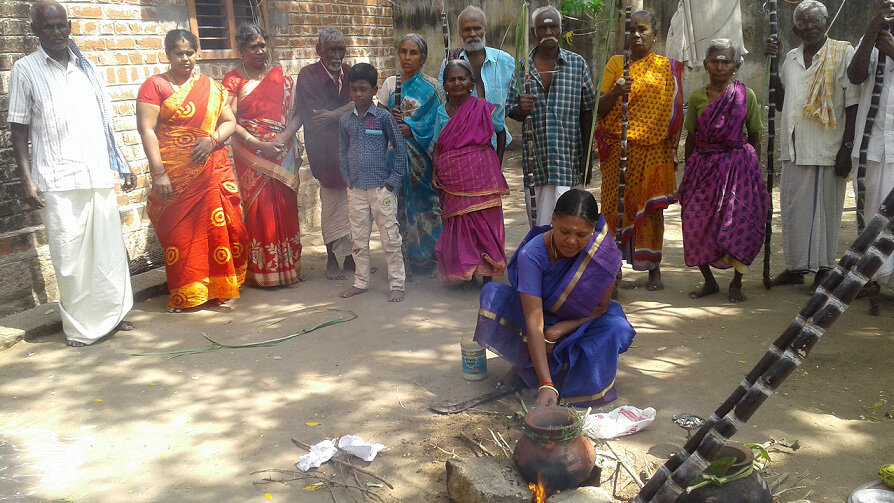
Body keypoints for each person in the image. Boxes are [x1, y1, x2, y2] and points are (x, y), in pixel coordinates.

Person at [8, 0, 136, 346]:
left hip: (96, 171)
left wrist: (121, 162)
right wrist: (26, 177)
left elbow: (104, 122)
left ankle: (113, 316)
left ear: (70, 26)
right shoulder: (25, 69)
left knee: (107, 250)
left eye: (61, 26)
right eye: (47, 27)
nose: (56, 33)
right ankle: (81, 329)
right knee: (70, 258)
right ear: (35, 30)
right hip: (57, 177)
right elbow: (18, 127)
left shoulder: (87, 67)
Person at [474, 189, 635, 407]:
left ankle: (541, 375)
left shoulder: (602, 252)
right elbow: (534, 323)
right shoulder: (531, 255)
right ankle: (533, 372)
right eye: (564, 231)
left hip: (583, 319)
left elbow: (599, 309)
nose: (571, 241)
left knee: (617, 328)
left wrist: (561, 328)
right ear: (552, 220)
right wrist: (546, 384)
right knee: (493, 296)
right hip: (538, 314)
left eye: (581, 235)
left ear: (592, 231)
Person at [136, 29, 248, 312]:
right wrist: (158, 172)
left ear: (197, 53)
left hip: (211, 170)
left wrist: (212, 140)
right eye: (178, 53)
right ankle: (186, 293)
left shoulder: (211, 86)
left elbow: (229, 122)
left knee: (219, 228)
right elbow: (146, 130)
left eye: (189, 53)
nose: (185, 58)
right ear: (168, 54)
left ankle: (223, 289)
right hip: (174, 174)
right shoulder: (154, 86)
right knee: (180, 235)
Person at [765, 0, 859, 292]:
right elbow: (781, 102)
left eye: (816, 21)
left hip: (826, 148)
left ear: (827, 22)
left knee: (825, 214)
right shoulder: (791, 58)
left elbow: (854, 105)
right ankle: (796, 268)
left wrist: (847, 148)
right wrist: (772, 62)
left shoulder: (843, 52)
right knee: (793, 211)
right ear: (795, 29)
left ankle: (824, 269)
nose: (810, 27)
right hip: (793, 149)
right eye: (803, 23)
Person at [595, 9, 684, 292]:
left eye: (642, 29)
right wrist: (616, 92)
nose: (636, 34)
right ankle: (614, 267)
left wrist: (671, 149)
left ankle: (653, 269)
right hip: (618, 153)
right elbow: (600, 108)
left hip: (653, 151)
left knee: (651, 211)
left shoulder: (666, 67)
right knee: (613, 209)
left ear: (654, 35)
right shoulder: (616, 65)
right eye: (631, 29)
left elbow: (675, 113)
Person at [679, 39, 769, 303]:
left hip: (739, 168)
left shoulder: (746, 95)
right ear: (706, 65)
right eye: (715, 60)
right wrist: (687, 175)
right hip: (703, 167)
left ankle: (736, 284)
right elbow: (692, 137)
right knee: (694, 220)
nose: (720, 65)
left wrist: (755, 175)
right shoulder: (696, 97)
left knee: (739, 222)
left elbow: (754, 135)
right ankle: (709, 281)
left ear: (736, 66)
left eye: (726, 61)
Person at [223, 23, 303, 287]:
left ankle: (289, 267)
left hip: (282, 151)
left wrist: (281, 138)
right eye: (253, 47)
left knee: (285, 207)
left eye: (262, 45)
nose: (260, 51)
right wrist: (258, 144)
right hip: (251, 153)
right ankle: (263, 271)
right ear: (241, 49)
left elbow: (298, 114)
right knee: (259, 210)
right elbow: (229, 121)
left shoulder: (281, 76)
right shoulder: (233, 80)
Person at [507, 5, 596, 227]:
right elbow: (511, 109)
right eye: (542, 28)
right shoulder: (522, 68)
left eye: (553, 27)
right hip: (536, 167)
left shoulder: (577, 64)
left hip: (568, 162)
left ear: (561, 29)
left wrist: (587, 156)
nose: (548, 33)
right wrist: (521, 109)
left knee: (571, 223)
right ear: (533, 33)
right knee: (540, 228)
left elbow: (587, 111)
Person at [432, 60, 509, 282]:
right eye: (451, 79)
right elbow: (437, 145)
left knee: (485, 221)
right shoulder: (441, 112)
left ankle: (488, 275)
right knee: (459, 225)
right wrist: (434, 173)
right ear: (445, 85)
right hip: (451, 178)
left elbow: (501, 132)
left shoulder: (484, 108)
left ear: (471, 83)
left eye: (461, 78)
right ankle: (468, 274)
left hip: (481, 174)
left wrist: (496, 163)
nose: (456, 83)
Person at [338, 63, 407, 302]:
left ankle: (396, 283)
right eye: (354, 89)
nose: (358, 94)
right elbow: (342, 149)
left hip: (381, 189)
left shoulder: (383, 118)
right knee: (358, 239)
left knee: (390, 238)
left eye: (364, 89)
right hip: (355, 188)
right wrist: (346, 176)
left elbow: (400, 148)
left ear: (374, 90)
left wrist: (392, 181)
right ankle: (360, 281)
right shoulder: (345, 121)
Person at [377, 34, 445, 275]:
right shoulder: (389, 84)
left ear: (423, 58)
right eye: (403, 51)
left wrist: (412, 128)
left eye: (413, 52)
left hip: (422, 162)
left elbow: (441, 123)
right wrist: (391, 123)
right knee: (397, 207)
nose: (406, 57)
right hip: (394, 158)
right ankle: (405, 257)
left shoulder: (433, 88)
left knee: (426, 204)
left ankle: (431, 256)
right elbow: (378, 121)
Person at [295, 27, 355, 280]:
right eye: (332, 49)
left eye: (341, 49)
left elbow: (362, 103)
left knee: (354, 207)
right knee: (330, 205)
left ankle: (352, 258)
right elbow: (314, 118)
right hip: (324, 153)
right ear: (319, 50)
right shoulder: (308, 76)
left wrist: (333, 114)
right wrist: (345, 109)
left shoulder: (351, 73)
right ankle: (332, 259)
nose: (337, 55)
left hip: (351, 151)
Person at [847, 0, 894, 314]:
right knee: (871, 212)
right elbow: (854, 75)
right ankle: (872, 279)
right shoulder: (872, 43)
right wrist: (871, 32)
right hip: (872, 146)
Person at [437, 5, 515, 155]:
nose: (472, 34)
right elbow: (443, 103)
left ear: (485, 29)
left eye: (477, 28)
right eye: (467, 29)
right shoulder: (450, 63)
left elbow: (514, 104)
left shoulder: (505, 62)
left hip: (495, 144)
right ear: (460, 32)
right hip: (459, 148)